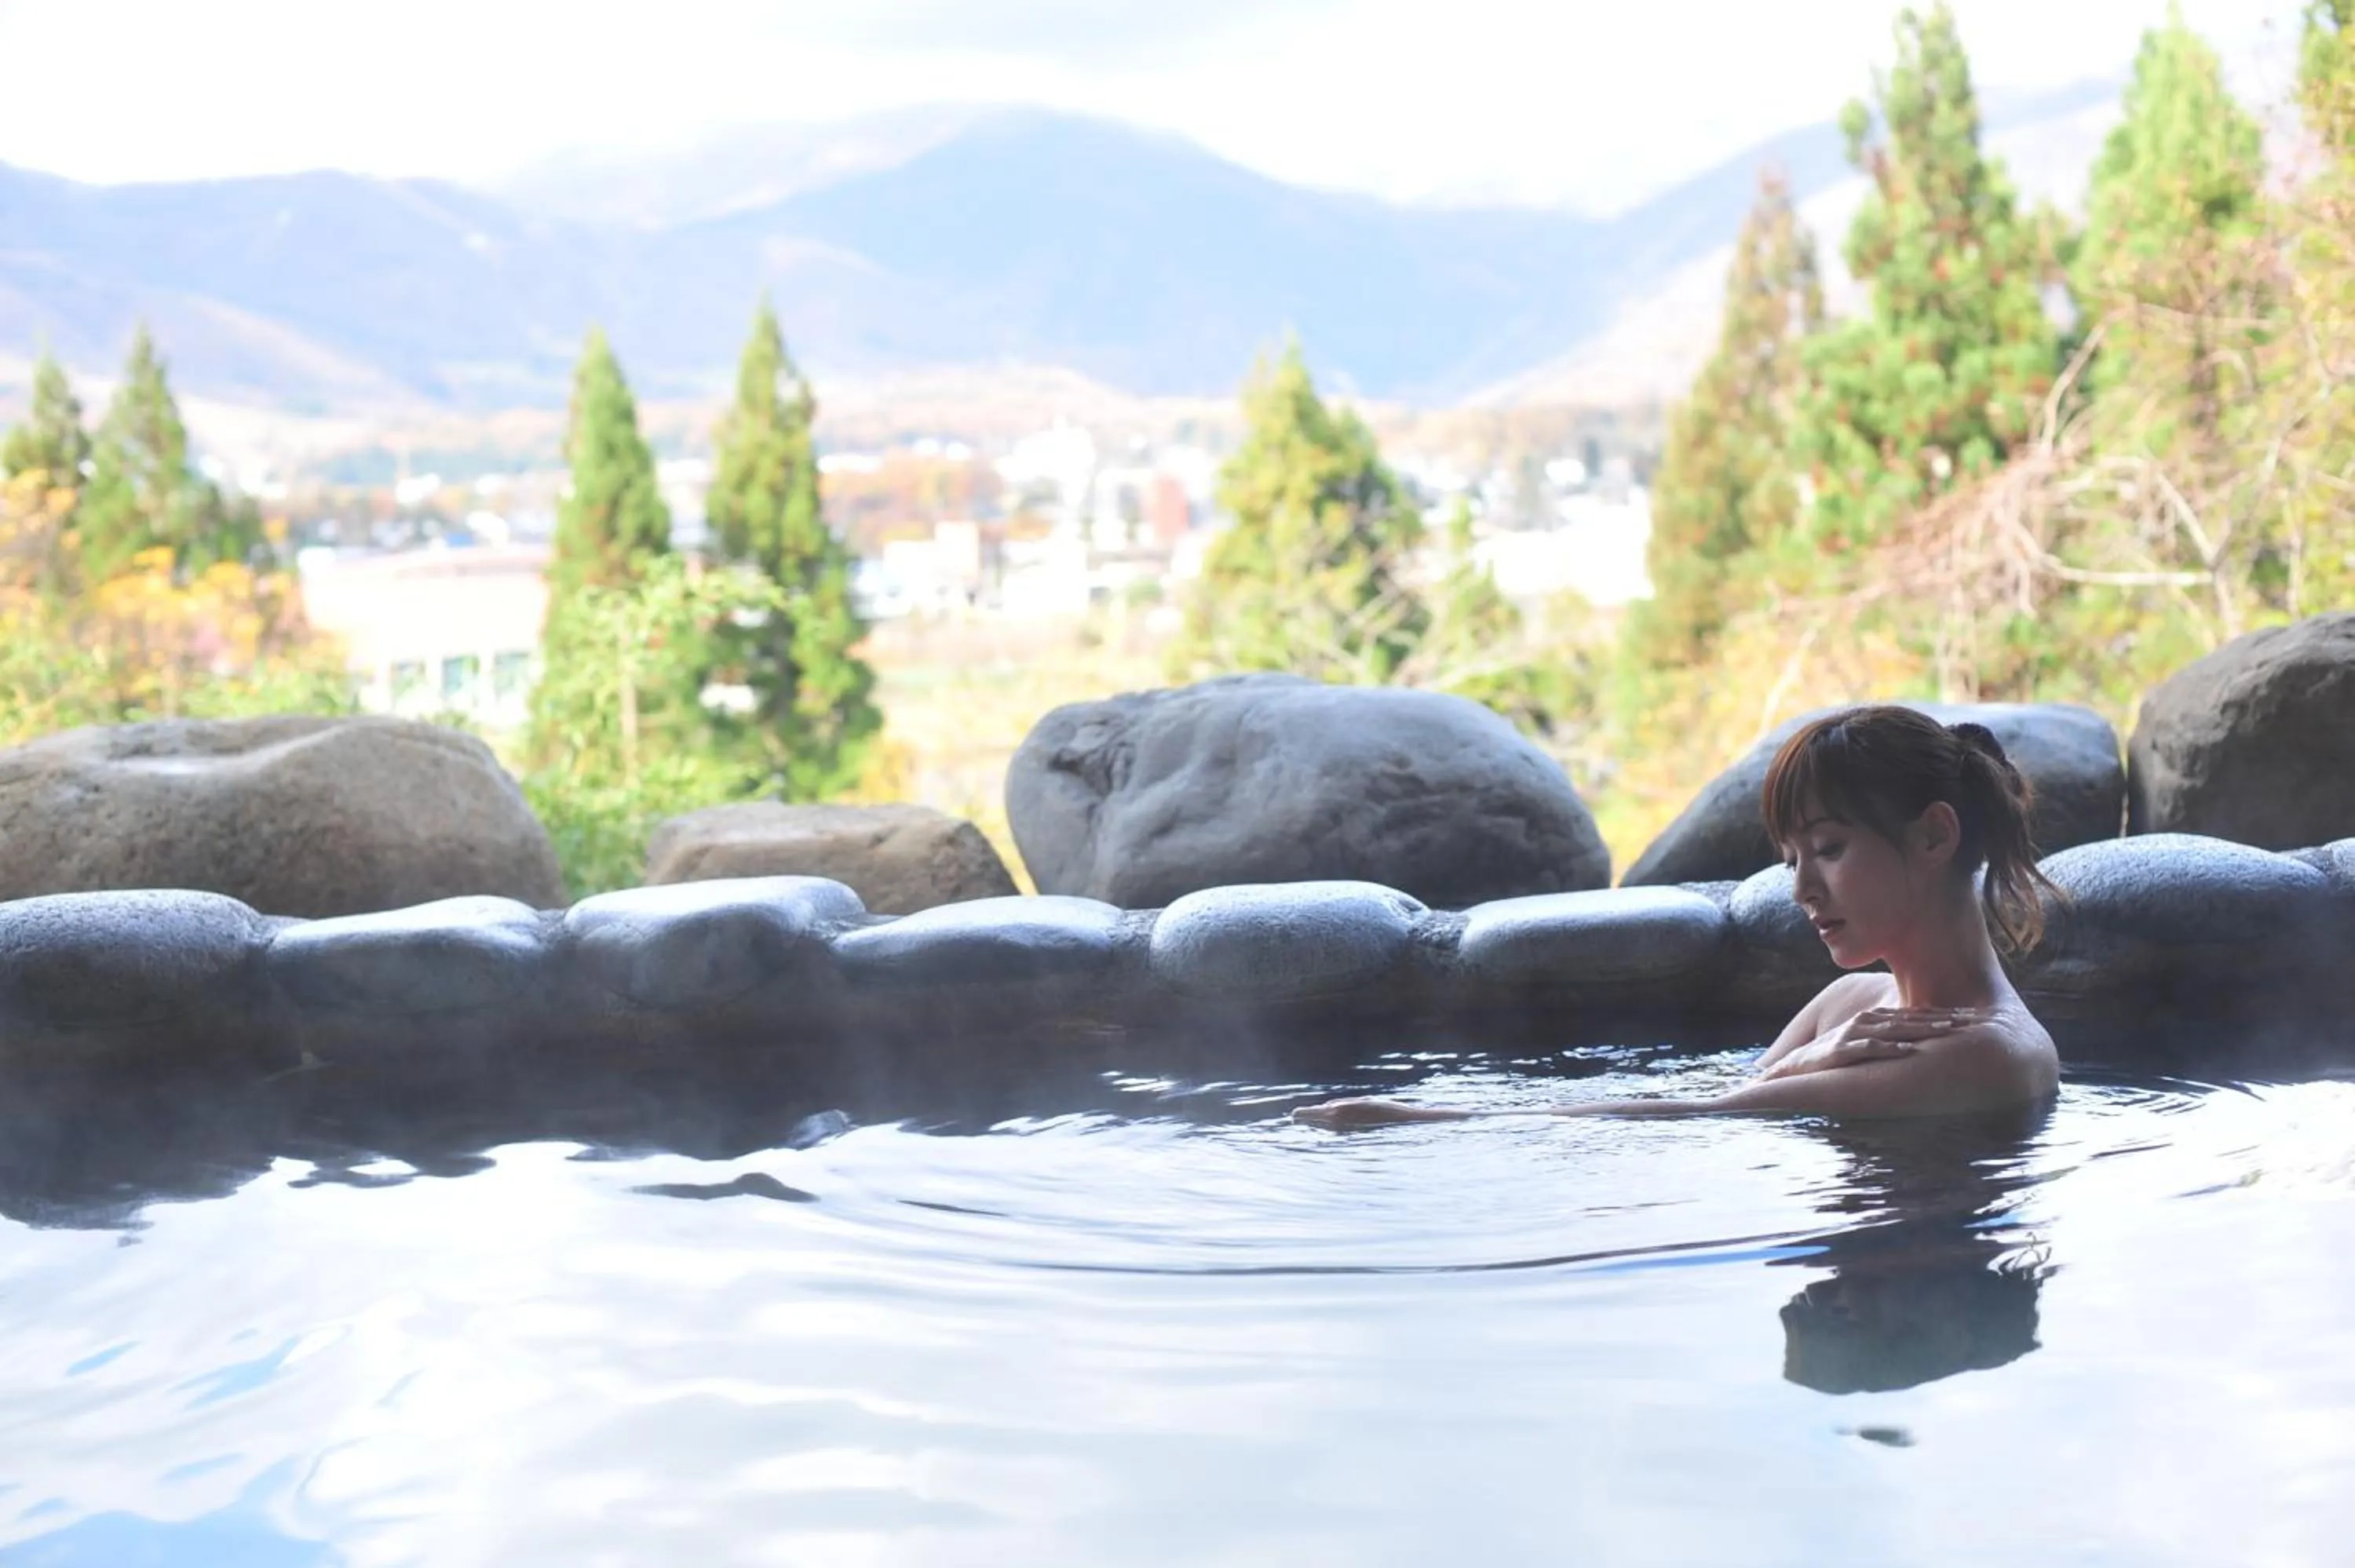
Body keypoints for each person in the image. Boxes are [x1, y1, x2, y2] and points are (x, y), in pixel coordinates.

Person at [1294, 706, 2062, 1129]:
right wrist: (1814, 1059)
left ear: (1933, 836)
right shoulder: (1852, 1004)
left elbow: (1713, 1116)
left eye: (1828, 848)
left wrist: (1416, 1120)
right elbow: (1739, 1097)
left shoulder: (1992, 1056)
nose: (1802, 890)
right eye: (1793, 859)